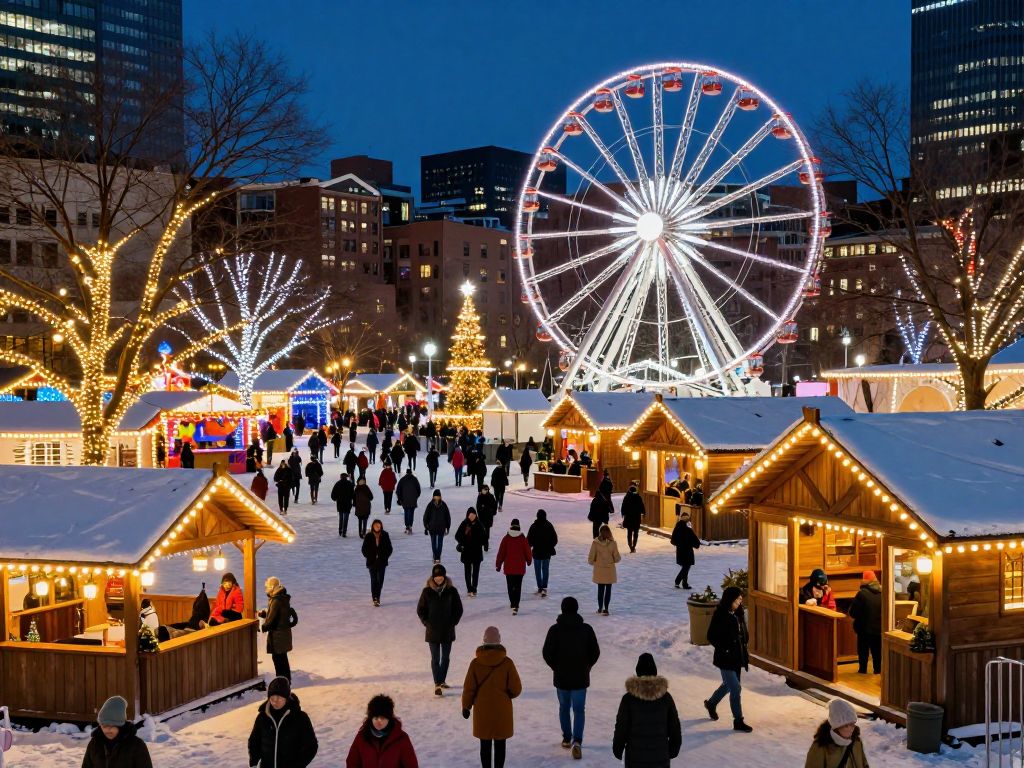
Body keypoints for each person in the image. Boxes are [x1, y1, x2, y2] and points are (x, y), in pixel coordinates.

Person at [542, 596, 600, 758]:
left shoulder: (555, 630)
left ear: (562, 609)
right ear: (576, 609)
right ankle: (578, 741)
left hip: (561, 677)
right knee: (579, 710)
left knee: (564, 708)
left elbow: (547, 653)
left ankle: (567, 738)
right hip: (581, 676)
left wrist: (556, 667)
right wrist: (587, 666)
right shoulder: (586, 629)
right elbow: (595, 652)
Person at [461, 626, 522, 768]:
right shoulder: (507, 663)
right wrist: (506, 696)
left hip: (482, 710)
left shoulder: (475, 663)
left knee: (485, 744)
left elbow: (469, 688)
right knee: (500, 745)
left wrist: (466, 706)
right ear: (499, 641)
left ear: (484, 642)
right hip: (502, 710)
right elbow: (516, 688)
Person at [612, 653, 682, 767]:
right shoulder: (666, 698)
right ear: (655, 672)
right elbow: (674, 727)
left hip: (635, 759)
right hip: (660, 758)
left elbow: (621, 727)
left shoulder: (628, 699)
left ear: (638, 672)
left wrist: (617, 748)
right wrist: (674, 748)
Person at [704, 585, 752, 732]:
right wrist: (725, 648)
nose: (739, 602)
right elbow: (711, 636)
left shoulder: (738, 614)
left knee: (728, 685)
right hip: (725, 658)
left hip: (737, 657)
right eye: (737, 599)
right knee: (736, 689)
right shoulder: (720, 614)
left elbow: (743, 634)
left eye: (740, 599)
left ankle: (711, 703)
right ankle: (738, 721)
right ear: (730, 599)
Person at [247, 676, 318, 768]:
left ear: (287, 698)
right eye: (272, 699)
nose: (275, 702)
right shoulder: (263, 717)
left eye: (279, 698)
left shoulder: (300, 718)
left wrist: (297, 765)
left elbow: (311, 746)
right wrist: (253, 762)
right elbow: (254, 741)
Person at [416, 563, 464, 697]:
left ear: (444, 576)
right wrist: (427, 623)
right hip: (433, 630)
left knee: (446, 658)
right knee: (435, 658)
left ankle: (442, 680)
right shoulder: (427, 592)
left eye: (441, 576)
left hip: (447, 629)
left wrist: (453, 622)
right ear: (433, 577)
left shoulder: (452, 591)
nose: (439, 579)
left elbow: (458, 609)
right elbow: (420, 610)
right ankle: (437, 683)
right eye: (436, 577)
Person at [345, 694, 420, 768]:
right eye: (376, 718)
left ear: (389, 718)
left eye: (383, 718)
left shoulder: (401, 739)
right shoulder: (362, 737)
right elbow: (352, 763)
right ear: (371, 718)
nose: (379, 721)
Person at [81, 695, 153, 768]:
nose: (107, 730)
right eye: (104, 726)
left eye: (112, 726)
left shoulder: (136, 746)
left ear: (120, 725)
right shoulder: (94, 744)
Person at [803, 699, 870, 768]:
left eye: (852, 724)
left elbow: (864, 765)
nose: (851, 729)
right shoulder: (821, 746)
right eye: (846, 726)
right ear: (836, 727)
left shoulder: (856, 742)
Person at [260, 576, 298, 681]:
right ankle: (286, 680)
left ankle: (282, 681)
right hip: (283, 634)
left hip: (278, 636)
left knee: (278, 660)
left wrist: (261, 627)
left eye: (267, 587)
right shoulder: (282, 598)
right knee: (282, 659)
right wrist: (265, 614)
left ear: (272, 587)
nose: (266, 589)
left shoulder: (276, 600)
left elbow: (272, 620)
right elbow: (277, 614)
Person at [495, 519, 532, 616]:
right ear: (519, 526)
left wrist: (498, 565)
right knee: (518, 586)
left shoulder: (506, 538)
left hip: (509, 568)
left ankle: (512, 603)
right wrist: (529, 561)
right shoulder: (523, 539)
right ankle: (516, 604)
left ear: (511, 526)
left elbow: (501, 553)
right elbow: (528, 551)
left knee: (510, 586)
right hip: (520, 568)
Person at [849, 570, 883, 675]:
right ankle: (878, 670)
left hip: (864, 628)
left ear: (865, 580)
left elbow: (853, 612)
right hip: (879, 628)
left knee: (863, 650)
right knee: (877, 651)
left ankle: (862, 670)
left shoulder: (862, 594)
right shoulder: (883, 593)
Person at [588, 524, 621, 616]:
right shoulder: (613, 543)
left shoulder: (595, 543)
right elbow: (617, 558)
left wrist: (595, 562)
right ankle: (606, 609)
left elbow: (591, 558)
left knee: (600, 589)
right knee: (608, 590)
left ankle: (599, 608)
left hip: (599, 569)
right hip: (610, 570)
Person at [454, 508, 488, 597]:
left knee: (476, 572)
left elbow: (485, 538)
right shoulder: (464, 524)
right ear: (467, 515)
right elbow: (457, 536)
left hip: (476, 552)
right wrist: (463, 541)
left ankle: (474, 588)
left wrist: (481, 543)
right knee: (468, 571)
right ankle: (469, 588)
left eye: (474, 515)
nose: (472, 517)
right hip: (467, 551)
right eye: (470, 515)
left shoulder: (479, 524)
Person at [362, 519, 393, 607]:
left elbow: (390, 548)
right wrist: (369, 556)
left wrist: (385, 556)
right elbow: (364, 549)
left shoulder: (385, 535)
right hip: (371, 562)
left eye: (379, 525)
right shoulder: (368, 536)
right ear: (373, 526)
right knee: (374, 580)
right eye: (376, 525)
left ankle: (378, 596)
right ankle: (375, 598)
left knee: (380, 580)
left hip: (382, 562)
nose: (377, 527)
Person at [527, 509, 558, 597]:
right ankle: (544, 587)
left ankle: (540, 587)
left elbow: (529, 540)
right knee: (545, 569)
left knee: (537, 570)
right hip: (546, 552)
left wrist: (532, 544)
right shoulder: (549, 525)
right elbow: (555, 539)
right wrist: (550, 546)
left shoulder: (533, 526)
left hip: (536, 552)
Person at [670, 510, 701, 589]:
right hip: (687, 551)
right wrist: (695, 544)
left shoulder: (677, 528)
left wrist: (679, 544)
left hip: (680, 551)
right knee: (686, 567)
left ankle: (683, 583)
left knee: (685, 567)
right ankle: (679, 581)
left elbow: (672, 540)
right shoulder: (688, 529)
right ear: (687, 520)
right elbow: (695, 541)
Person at [423, 490, 451, 563]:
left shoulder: (444, 505)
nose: (437, 497)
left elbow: (447, 516)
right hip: (432, 527)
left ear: (440, 496)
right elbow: (426, 516)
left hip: (441, 527)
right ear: (433, 496)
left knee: (440, 543)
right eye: (435, 496)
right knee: (433, 542)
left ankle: (438, 556)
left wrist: (448, 527)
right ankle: (435, 556)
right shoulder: (430, 505)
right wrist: (426, 527)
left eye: (438, 496)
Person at [397, 467, 422, 535]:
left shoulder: (402, 480)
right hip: (413, 499)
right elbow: (419, 490)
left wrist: (399, 498)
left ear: (406, 473)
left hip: (404, 500)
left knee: (406, 512)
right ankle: (410, 525)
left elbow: (398, 490)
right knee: (411, 512)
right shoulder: (415, 479)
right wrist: (415, 497)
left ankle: (407, 526)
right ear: (411, 472)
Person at [620, 484, 645, 553]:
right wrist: (643, 512)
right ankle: (634, 546)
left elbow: (623, 506)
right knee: (636, 533)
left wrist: (623, 513)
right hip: (636, 517)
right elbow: (642, 506)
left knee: (629, 532)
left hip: (629, 517)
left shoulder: (627, 497)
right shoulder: (638, 497)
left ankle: (630, 546)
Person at [331, 472, 356, 537]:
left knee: (341, 518)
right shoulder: (349, 484)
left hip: (340, 503)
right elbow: (353, 494)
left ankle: (340, 530)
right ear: (346, 477)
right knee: (346, 518)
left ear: (341, 477)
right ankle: (344, 532)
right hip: (347, 503)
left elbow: (333, 494)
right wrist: (354, 502)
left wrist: (335, 498)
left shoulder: (338, 484)